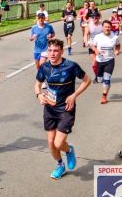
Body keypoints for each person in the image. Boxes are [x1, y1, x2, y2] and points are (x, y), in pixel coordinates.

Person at [35, 39, 91, 179]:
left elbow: (87, 80)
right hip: (49, 108)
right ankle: (60, 165)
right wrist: (39, 95)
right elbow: (37, 84)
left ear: (61, 51)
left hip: (66, 108)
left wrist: (74, 95)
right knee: (51, 143)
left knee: (59, 143)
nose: (52, 54)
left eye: (56, 51)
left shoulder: (71, 66)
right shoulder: (44, 67)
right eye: (50, 51)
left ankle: (68, 149)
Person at [91, 20, 120, 104]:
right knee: (100, 79)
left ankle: (104, 96)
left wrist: (117, 50)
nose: (107, 28)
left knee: (106, 79)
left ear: (111, 28)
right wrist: (96, 50)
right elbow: (93, 46)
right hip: (99, 61)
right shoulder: (98, 37)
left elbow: (118, 45)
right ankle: (101, 80)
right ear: (102, 27)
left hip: (110, 60)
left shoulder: (115, 37)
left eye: (109, 27)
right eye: (105, 27)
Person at [84, 12, 103, 79]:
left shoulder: (102, 25)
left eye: (96, 17)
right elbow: (86, 34)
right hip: (92, 45)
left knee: (100, 62)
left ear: (99, 17)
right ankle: (96, 76)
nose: (94, 18)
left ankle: (101, 73)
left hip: (101, 45)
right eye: (93, 17)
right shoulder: (89, 25)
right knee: (94, 62)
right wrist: (86, 41)